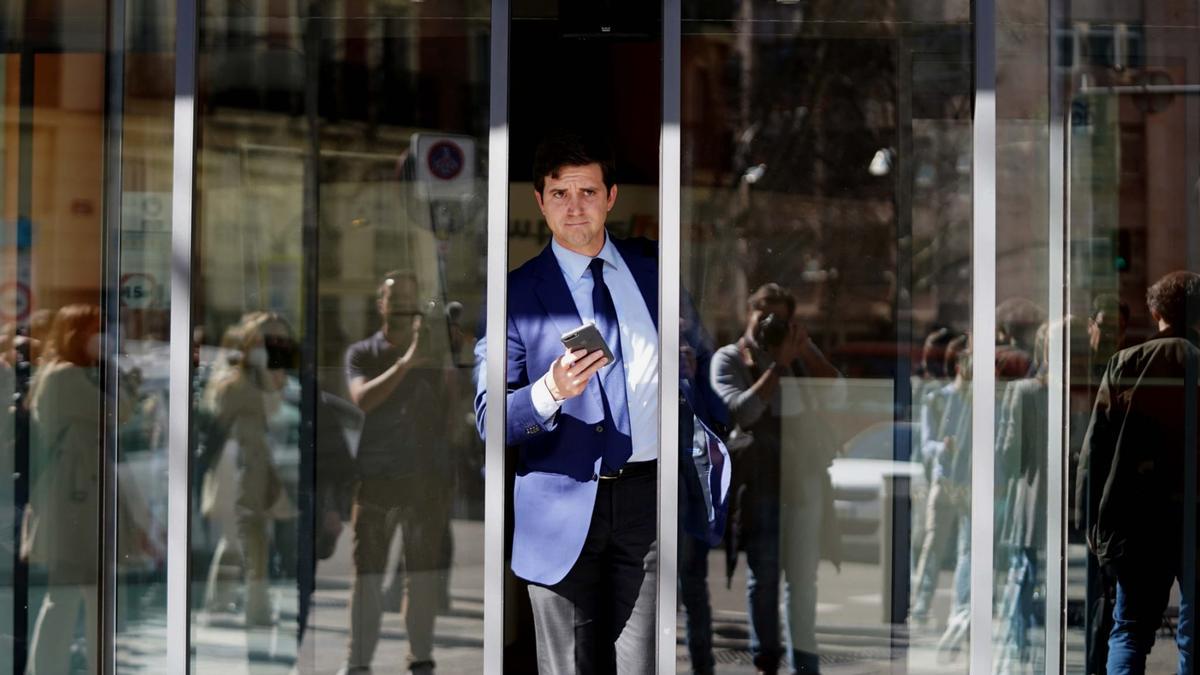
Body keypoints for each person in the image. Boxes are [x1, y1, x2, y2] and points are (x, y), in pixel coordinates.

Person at [473, 132, 728, 674]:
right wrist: (550, 392)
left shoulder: (655, 271)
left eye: (586, 191)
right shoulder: (514, 295)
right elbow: (490, 418)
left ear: (611, 196)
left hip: (648, 504)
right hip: (560, 511)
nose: (573, 207)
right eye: (559, 193)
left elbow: (697, 370)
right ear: (538, 201)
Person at [710, 283, 841, 675]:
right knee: (764, 577)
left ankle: (806, 665)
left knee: (803, 582)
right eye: (762, 313)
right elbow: (743, 412)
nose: (769, 322)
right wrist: (778, 364)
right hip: (762, 480)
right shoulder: (730, 358)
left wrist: (802, 350)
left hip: (804, 477)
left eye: (778, 316)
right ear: (748, 314)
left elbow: (837, 392)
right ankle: (766, 661)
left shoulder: (797, 348)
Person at [1076, 270, 1200, 675]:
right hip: (1195, 512)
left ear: (1154, 311)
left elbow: (1094, 452)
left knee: (1129, 629)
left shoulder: (1124, 364)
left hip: (1138, 516)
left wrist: (1090, 522)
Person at [339, 271, 452, 675]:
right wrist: (408, 362)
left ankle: (421, 660)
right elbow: (362, 399)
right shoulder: (363, 353)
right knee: (366, 576)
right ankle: (358, 663)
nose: (403, 306)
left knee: (421, 578)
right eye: (395, 299)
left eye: (410, 299)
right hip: (375, 482)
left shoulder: (434, 353)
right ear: (381, 305)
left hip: (424, 483)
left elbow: (453, 412)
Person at [24, 305, 134, 674]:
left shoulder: (57, 373)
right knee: (75, 595)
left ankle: (74, 667)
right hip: (75, 499)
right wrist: (122, 376)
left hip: (74, 496)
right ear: (77, 334)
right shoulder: (67, 377)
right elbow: (119, 413)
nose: (101, 339)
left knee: (79, 595)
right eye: (94, 331)